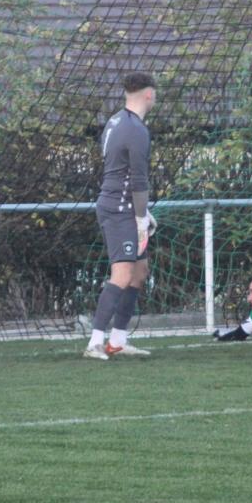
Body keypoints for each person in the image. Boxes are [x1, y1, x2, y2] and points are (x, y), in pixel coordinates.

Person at [83, 72, 158, 360]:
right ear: (149, 94)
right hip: (120, 209)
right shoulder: (136, 129)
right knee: (123, 273)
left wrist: (142, 211)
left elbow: (120, 169)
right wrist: (140, 217)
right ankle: (94, 342)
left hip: (122, 205)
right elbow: (138, 179)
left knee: (139, 272)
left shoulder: (116, 121)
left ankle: (118, 340)